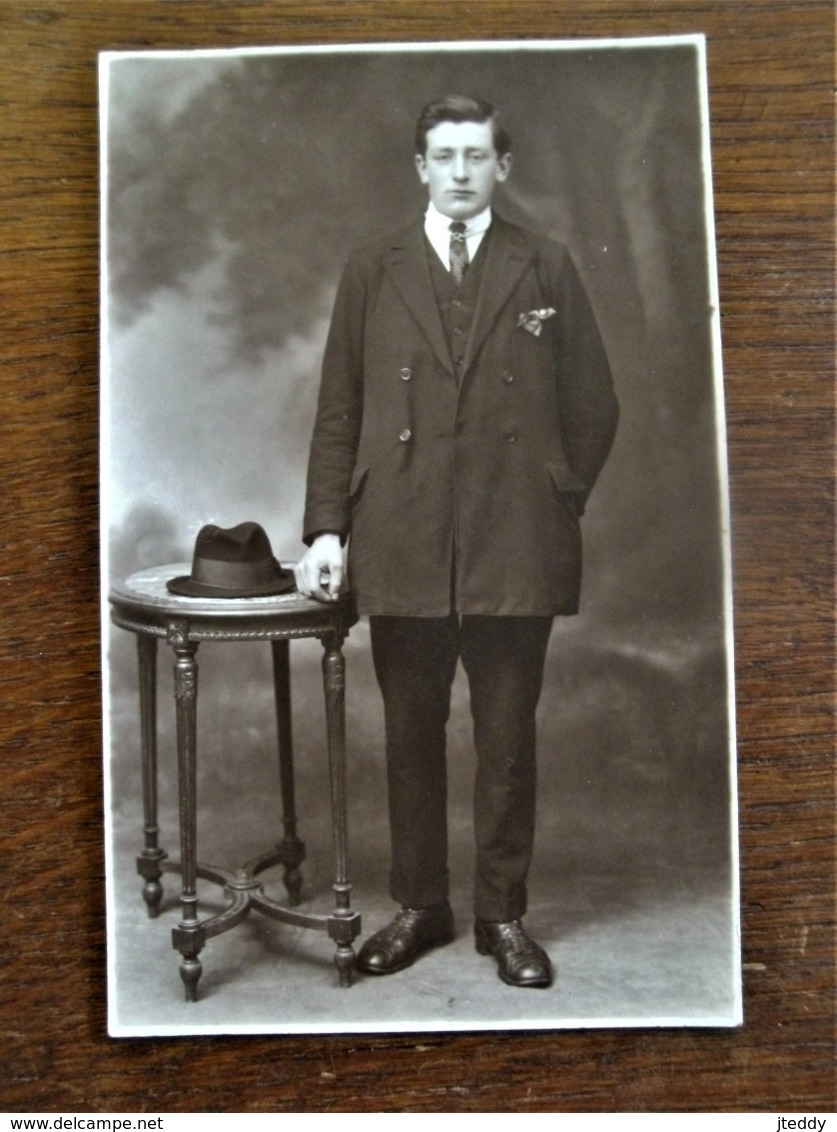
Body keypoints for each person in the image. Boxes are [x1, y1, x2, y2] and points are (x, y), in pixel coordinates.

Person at [295, 95, 618, 988]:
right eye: (445, 155)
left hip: (514, 543)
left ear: (501, 167)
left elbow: (595, 406)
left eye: (477, 155)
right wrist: (328, 528)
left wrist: (552, 496)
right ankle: (420, 907)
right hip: (400, 535)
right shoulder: (373, 267)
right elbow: (339, 413)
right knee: (409, 736)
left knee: (507, 739)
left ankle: (502, 917)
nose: (462, 170)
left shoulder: (544, 264)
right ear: (421, 167)